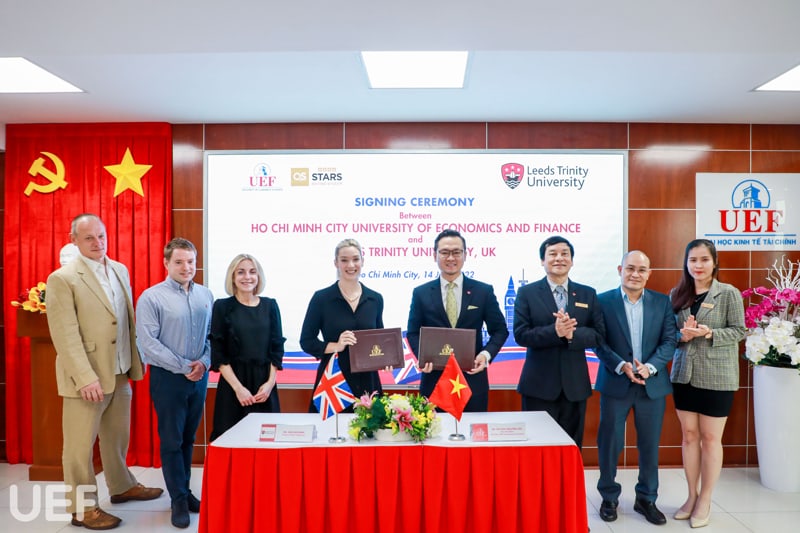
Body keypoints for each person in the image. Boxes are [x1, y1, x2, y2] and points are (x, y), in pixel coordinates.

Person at [46, 213, 163, 530]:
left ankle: (121, 486)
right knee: (79, 448)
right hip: (88, 378)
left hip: (120, 370)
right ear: (74, 240)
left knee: (115, 438)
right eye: (89, 238)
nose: (97, 243)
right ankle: (82, 509)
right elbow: (65, 334)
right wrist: (85, 378)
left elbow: (123, 320)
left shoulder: (120, 269)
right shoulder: (63, 279)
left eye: (101, 236)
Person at [594, 251, 677, 525]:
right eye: (630, 268)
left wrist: (650, 367)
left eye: (642, 270)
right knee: (610, 443)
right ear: (620, 270)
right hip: (616, 381)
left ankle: (646, 498)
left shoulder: (662, 302)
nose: (635, 274)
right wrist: (621, 365)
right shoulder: (602, 301)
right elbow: (599, 342)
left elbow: (669, 341)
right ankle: (609, 497)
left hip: (651, 385)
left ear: (649, 274)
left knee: (649, 445)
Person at [135, 238, 213, 528]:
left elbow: (211, 336)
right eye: (179, 262)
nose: (186, 267)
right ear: (166, 263)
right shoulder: (152, 297)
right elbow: (148, 344)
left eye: (190, 261)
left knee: (188, 438)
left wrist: (203, 362)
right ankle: (177, 499)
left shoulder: (206, 295)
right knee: (171, 440)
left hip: (199, 377)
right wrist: (183, 367)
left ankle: (185, 491)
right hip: (168, 378)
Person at [670, 239, 745, 529]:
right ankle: (691, 495)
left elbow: (739, 331)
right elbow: (669, 334)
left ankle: (706, 499)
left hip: (718, 376)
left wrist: (709, 332)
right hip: (684, 375)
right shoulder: (677, 294)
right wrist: (682, 335)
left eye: (704, 260)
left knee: (711, 439)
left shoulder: (728, 293)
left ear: (714, 262)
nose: (698, 265)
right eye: (693, 260)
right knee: (689, 436)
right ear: (686, 263)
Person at [513, 235, 604, 448]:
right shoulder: (527, 293)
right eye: (552, 254)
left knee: (571, 448)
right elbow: (521, 334)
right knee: (537, 447)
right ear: (542, 261)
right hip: (538, 386)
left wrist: (572, 335)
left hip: (575, 386)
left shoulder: (587, 294)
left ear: (571, 260)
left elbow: (599, 335)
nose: (559, 258)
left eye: (565, 254)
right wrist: (554, 332)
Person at [407, 229, 508, 411]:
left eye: (456, 252)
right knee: (433, 429)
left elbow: (500, 330)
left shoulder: (483, 291)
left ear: (465, 255)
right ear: (434, 255)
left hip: (472, 382)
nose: (451, 258)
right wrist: (422, 358)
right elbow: (413, 332)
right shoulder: (421, 293)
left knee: (474, 429)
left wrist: (485, 355)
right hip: (434, 383)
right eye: (445, 252)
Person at [300, 238, 384, 411]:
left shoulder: (375, 299)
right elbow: (306, 341)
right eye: (344, 260)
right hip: (334, 379)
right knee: (331, 427)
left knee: (371, 427)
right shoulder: (321, 299)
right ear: (336, 263)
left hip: (368, 380)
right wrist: (336, 346)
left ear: (363, 261)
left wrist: (385, 359)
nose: (350, 265)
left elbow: (379, 339)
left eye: (355, 259)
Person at [209, 254, 285, 440]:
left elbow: (276, 349)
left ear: (258, 276)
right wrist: (238, 389)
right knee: (231, 441)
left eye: (252, 272)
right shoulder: (222, 306)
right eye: (241, 272)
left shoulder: (270, 305)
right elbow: (218, 353)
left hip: (264, 388)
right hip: (233, 387)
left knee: (266, 442)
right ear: (233, 277)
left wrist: (269, 384)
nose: (247, 277)